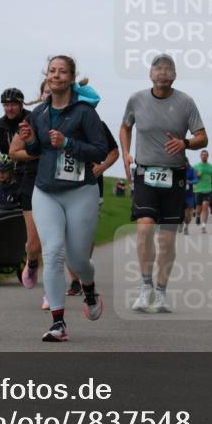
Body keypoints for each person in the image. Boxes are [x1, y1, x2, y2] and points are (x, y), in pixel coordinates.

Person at [18, 55, 108, 342]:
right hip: (45, 190)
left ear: (71, 78)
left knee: (78, 259)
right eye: (52, 71)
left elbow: (100, 150)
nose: (56, 75)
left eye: (62, 72)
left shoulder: (85, 113)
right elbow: (36, 150)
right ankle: (58, 323)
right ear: (47, 76)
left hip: (81, 191)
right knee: (53, 252)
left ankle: (89, 287)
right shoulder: (39, 114)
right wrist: (30, 137)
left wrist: (68, 143)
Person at [120, 53, 208, 313]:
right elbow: (125, 127)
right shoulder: (136, 99)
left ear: (174, 75)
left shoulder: (185, 102)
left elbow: (202, 137)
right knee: (145, 230)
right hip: (145, 173)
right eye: (157, 68)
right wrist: (126, 154)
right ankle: (145, 286)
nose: (162, 72)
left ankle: (161, 291)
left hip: (175, 176)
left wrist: (186, 143)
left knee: (167, 241)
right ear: (150, 74)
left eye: (168, 68)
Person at [0, 87, 41, 286]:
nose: (9, 108)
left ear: (21, 104)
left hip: (31, 171)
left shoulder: (31, 119)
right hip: (10, 171)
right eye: (6, 105)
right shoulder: (0, 125)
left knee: (28, 214)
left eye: (13, 105)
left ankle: (31, 252)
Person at [66, 119, 120, 297]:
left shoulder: (98, 124)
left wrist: (102, 167)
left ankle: (84, 273)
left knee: (86, 235)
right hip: (64, 185)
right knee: (66, 234)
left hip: (92, 185)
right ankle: (75, 281)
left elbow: (114, 151)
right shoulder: (58, 120)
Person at [192, 150, 212, 233]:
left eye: (205, 155)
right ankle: (198, 215)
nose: (204, 156)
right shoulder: (196, 166)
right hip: (198, 189)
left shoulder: (211, 167)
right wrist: (197, 175)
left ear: (208, 156)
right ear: (200, 156)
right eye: (202, 155)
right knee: (199, 208)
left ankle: (203, 226)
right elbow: (193, 177)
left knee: (205, 206)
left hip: (208, 189)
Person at [179, 160, 197, 235]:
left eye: (185, 162)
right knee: (180, 212)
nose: (184, 164)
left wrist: (189, 182)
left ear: (187, 162)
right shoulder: (178, 169)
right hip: (180, 195)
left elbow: (196, 180)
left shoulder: (192, 170)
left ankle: (186, 227)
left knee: (189, 213)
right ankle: (180, 223)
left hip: (189, 195)